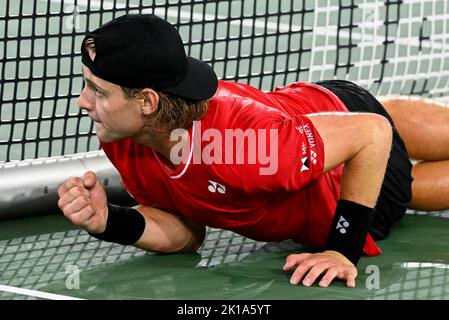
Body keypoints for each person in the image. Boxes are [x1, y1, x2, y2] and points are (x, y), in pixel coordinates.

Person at [57, 13, 449, 288]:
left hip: (346, 176)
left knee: (401, 172)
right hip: (323, 106)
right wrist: (111, 221)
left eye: (97, 91)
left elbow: (373, 134)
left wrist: (343, 250)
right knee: (388, 112)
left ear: (146, 101)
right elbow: (186, 233)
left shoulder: (245, 151)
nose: (82, 101)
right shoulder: (125, 140)